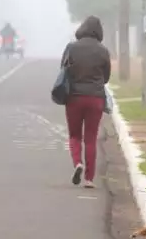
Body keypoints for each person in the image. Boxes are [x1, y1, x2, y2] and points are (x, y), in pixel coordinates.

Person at [60, 15, 111, 188]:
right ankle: (89, 179)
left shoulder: (72, 48)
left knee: (74, 135)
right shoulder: (103, 51)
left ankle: (77, 163)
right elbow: (106, 77)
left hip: (74, 97)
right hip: (95, 98)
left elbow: (63, 69)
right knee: (90, 138)